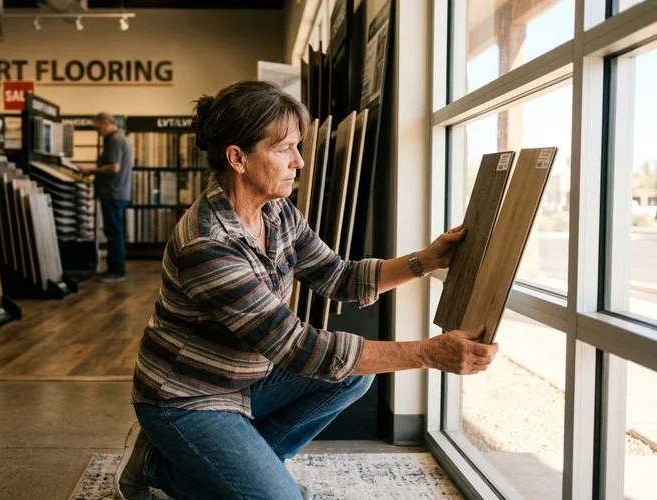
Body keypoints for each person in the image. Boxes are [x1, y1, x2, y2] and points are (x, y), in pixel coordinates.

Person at [114, 81, 498, 500]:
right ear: (237, 158)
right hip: (187, 396)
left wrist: (424, 260)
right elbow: (297, 347)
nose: (299, 160)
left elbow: (340, 276)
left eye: (298, 146)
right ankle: (157, 465)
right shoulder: (209, 244)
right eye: (284, 149)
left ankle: (237, 464)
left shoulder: (276, 211)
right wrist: (428, 353)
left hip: (244, 377)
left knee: (351, 379)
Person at [80, 112, 133, 283]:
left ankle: (116, 271)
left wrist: (91, 170)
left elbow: (114, 167)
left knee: (113, 232)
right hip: (119, 193)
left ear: (106, 123)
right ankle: (116, 269)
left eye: (98, 127)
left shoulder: (115, 141)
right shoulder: (121, 138)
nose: (98, 131)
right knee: (115, 231)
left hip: (113, 193)